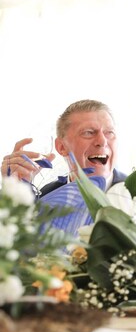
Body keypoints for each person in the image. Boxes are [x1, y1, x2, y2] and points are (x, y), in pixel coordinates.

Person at [3, 99, 127, 234]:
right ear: (61, 147)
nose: (102, 141)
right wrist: (15, 191)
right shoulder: (46, 196)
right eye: (89, 132)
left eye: (109, 132)